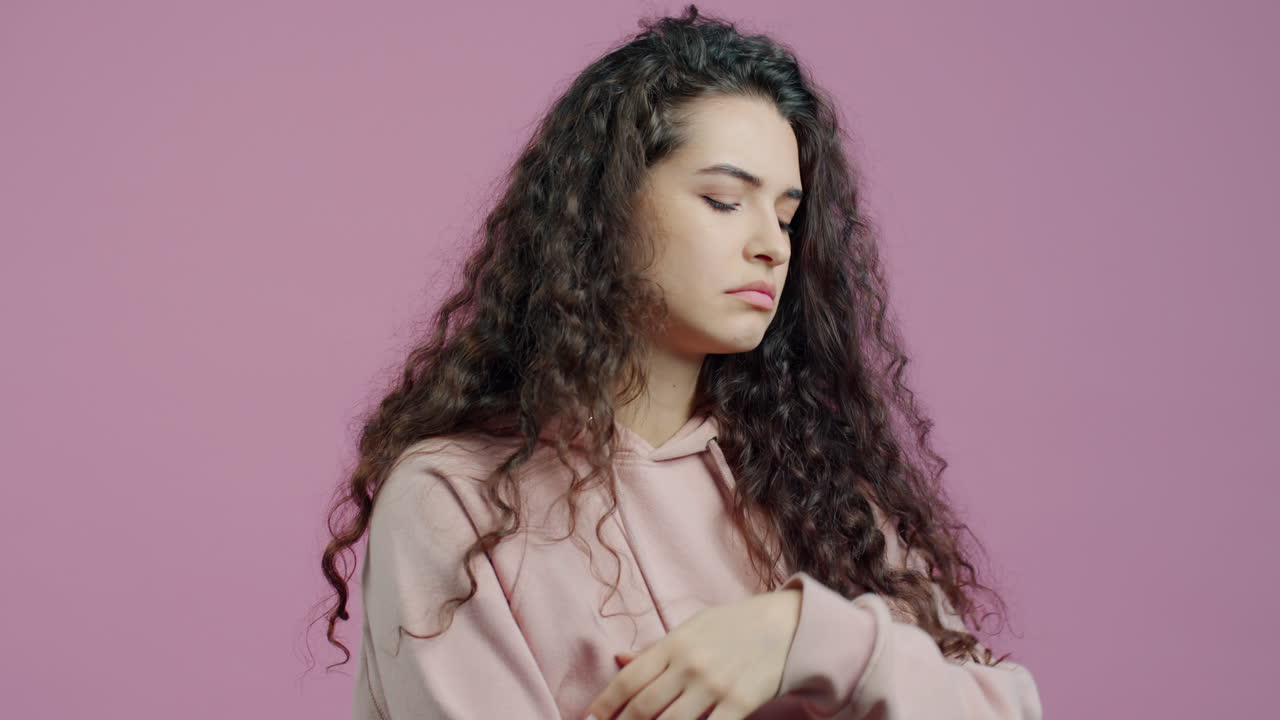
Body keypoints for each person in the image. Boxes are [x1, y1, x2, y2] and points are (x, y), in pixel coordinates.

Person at [314, 5, 1043, 719]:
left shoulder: (814, 491)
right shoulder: (458, 499)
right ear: (607, 208)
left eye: (787, 216)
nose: (772, 245)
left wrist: (800, 636)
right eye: (724, 200)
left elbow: (1004, 706)